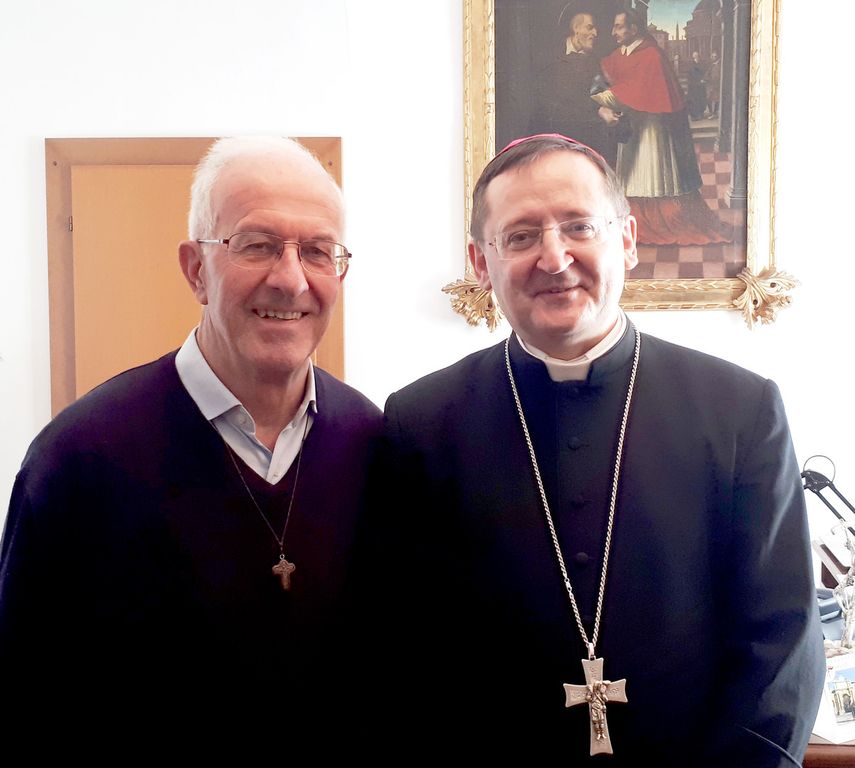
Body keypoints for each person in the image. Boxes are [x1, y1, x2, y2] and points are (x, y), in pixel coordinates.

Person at [362, 134, 824, 765]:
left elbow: (782, 637)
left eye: (579, 226)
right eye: (521, 235)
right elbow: (400, 645)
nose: (555, 258)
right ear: (480, 262)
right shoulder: (420, 422)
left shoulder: (740, 409)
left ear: (627, 239)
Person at [0, 136, 382, 734]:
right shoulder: (77, 459)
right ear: (196, 269)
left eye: (317, 251)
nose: (291, 279)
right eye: (257, 245)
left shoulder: (373, 444)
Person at [592, 11, 731, 246]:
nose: (613, 32)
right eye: (614, 27)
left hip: (653, 128)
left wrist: (601, 99)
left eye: (619, 27)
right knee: (630, 175)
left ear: (634, 29)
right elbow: (608, 81)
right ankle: (631, 220)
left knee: (652, 173)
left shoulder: (652, 55)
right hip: (632, 128)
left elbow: (634, 90)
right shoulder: (619, 54)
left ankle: (655, 222)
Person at [530, 11, 615, 166]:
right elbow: (553, 98)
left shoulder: (596, 61)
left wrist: (606, 107)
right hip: (552, 136)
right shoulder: (550, 56)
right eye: (589, 27)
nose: (595, 33)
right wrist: (598, 109)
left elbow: (601, 91)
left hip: (585, 137)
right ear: (576, 28)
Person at [706, 49, 722, 118]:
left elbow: (716, 77)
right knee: (709, 99)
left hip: (715, 85)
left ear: (717, 57)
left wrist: (709, 80)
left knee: (715, 99)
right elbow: (708, 73)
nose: (712, 58)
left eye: (714, 56)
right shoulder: (712, 65)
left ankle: (714, 113)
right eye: (712, 56)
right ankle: (712, 112)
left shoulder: (717, 65)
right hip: (711, 84)